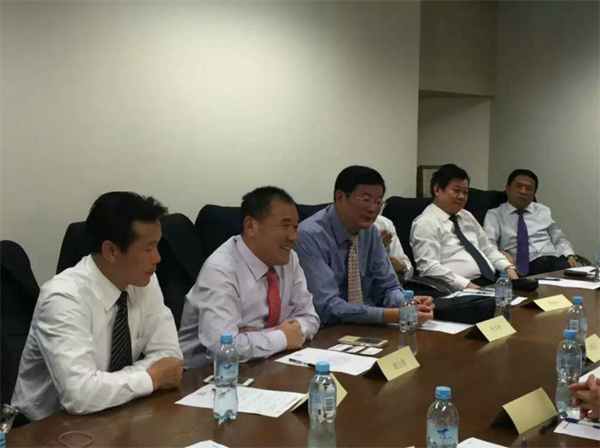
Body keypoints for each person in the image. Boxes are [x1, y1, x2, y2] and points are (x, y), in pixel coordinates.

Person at [12, 192, 183, 421]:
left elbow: (170, 358)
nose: (157, 258)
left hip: (114, 413)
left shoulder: (144, 280)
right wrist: (150, 378)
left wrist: (107, 387)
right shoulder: (63, 298)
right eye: (148, 248)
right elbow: (79, 395)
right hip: (46, 427)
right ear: (111, 251)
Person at [178, 187, 320, 369]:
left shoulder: (288, 258)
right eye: (285, 226)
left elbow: (310, 317)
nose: (293, 237)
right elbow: (223, 348)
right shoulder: (221, 269)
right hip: (205, 374)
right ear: (250, 226)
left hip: (266, 363)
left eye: (295, 227)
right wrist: (281, 336)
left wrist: (259, 337)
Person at [295, 165, 433, 326]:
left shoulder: (370, 232)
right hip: (327, 330)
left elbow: (388, 287)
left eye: (378, 202)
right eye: (365, 200)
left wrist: (407, 303)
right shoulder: (309, 236)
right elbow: (327, 307)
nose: (373, 209)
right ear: (340, 197)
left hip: (367, 325)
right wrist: (393, 315)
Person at [410, 164, 518, 291]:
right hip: (459, 289)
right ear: (437, 190)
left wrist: (510, 270)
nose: (462, 196)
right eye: (456, 191)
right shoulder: (425, 223)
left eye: (465, 192)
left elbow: (487, 249)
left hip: (492, 282)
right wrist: (470, 287)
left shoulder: (466, 216)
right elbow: (429, 267)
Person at [484, 169, 579, 276]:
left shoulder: (543, 210)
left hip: (555, 262)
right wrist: (501, 254)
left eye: (528, 188)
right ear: (507, 188)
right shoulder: (494, 215)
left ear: (534, 193)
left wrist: (569, 255)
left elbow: (559, 239)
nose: (523, 191)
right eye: (518, 186)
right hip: (525, 269)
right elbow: (488, 246)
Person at [374, 214, 414, 281]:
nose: (372, 209)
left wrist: (402, 266)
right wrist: (374, 249)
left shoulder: (384, 224)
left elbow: (407, 267)